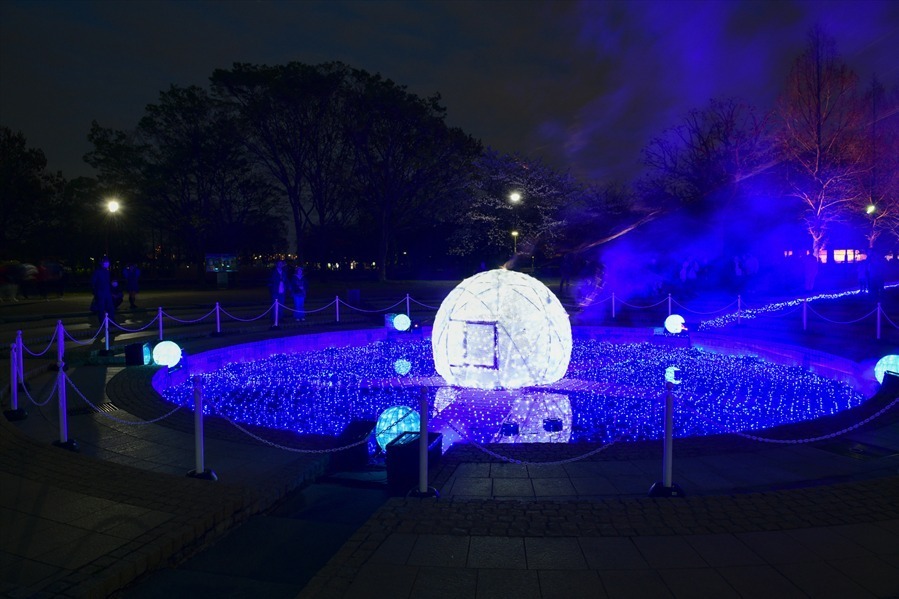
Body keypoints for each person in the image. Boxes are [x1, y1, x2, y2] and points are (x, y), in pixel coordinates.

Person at [90, 256, 116, 326]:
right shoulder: (98, 272)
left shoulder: (107, 272)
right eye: (106, 263)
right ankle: (102, 322)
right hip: (101, 292)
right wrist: (95, 292)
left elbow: (108, 282)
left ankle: (111, 321)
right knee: (101, 308)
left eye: (108, 263)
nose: (108, 264)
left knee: (110, 307)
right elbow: (93, 282)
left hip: (107, 292)